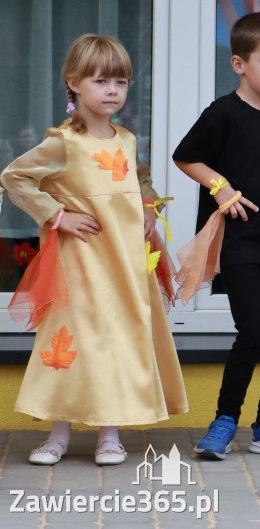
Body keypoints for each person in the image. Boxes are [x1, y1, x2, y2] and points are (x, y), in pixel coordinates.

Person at [1, 34, 187, 466]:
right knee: (71, 338)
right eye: (101, 81)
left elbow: (139, 179)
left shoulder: (125, 139)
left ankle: (110, 433)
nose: (112, 91)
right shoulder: (62, 143)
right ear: (74, 83)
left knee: (119, 336)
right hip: (80, 264)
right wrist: (57, 215)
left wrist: (146, 205)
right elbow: (15, 177)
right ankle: (58, 432)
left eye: (121, 82)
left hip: (124, 262)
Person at [174, 12, 260, 460]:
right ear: (239, 64)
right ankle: (224, 420)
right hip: (241, 242)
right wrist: (221, 188)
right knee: (255, 332)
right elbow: (186, 157)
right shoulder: (222, 113)